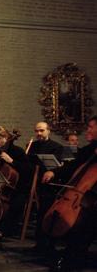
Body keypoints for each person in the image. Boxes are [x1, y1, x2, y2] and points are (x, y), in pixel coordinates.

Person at [40, 116, 97, 271]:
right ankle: (61, 252)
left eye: (91, 127)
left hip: (92, 198)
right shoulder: (91, 149)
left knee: (84, 221)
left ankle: (74, 256)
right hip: (83, 197)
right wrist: (54, 172)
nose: (88, 130)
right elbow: (74, 165)